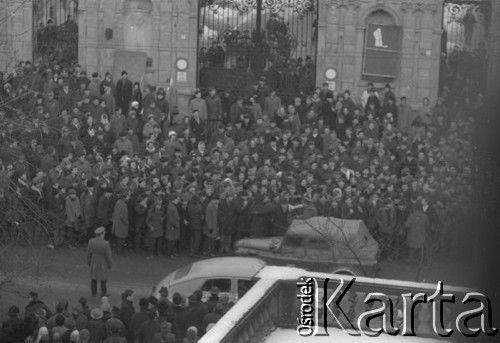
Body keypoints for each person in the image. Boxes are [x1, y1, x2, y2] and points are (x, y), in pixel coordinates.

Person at [87, 226, 113, 297]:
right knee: (103, 279)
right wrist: (110, 265)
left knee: (93, 278)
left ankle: (93, 293)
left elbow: (88, 253)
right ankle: (103, 293)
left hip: (94, 261)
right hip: (103, 263)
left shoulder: (91, 241)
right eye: (104, 233)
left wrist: (89, 262)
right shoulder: (106, 243)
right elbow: (108, 256)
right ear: (102, 233)